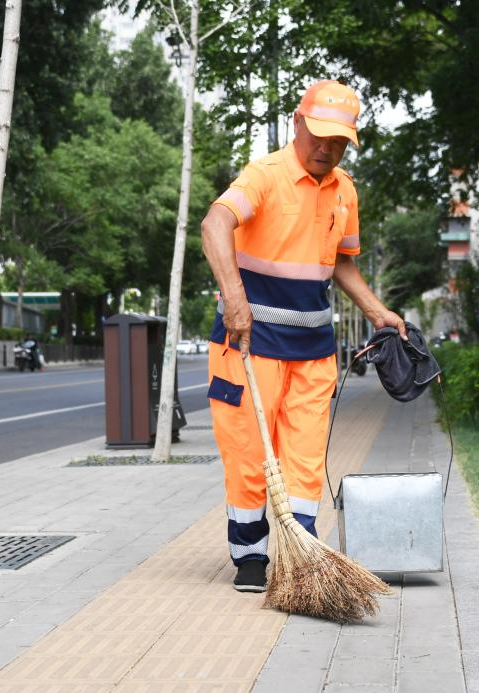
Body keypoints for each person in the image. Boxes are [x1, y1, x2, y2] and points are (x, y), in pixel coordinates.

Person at [201, 80, 407, 593]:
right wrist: (234, 298)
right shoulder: (265, 175)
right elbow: (214, 224)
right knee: (251, 452)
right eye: (319, 136)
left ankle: (302, 554)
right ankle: (250, 555)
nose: (326, 148)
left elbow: (342, 263)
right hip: (250, 344)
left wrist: (378, 311)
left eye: (338, 142)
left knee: (306, 456)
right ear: (298, 123)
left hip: (314, 350)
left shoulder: (345, 189)